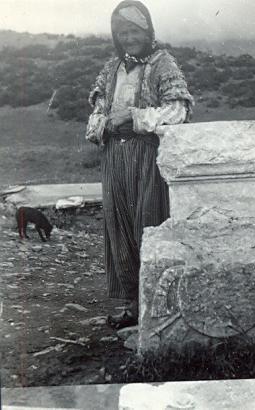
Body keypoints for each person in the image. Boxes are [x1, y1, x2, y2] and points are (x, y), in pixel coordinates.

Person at [85, 0, 194, 329]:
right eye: (122, 32)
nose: (129, 38)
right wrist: (101, 123)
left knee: (149, 226)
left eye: (134, 31)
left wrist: (133, 117)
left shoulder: (163, 64)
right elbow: (97, 111)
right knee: (120, 229)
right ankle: (134, 304)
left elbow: (178, 111)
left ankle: (161, 304)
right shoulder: (112, 68)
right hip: (115, 158)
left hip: (147, 157)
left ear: (147, 31)